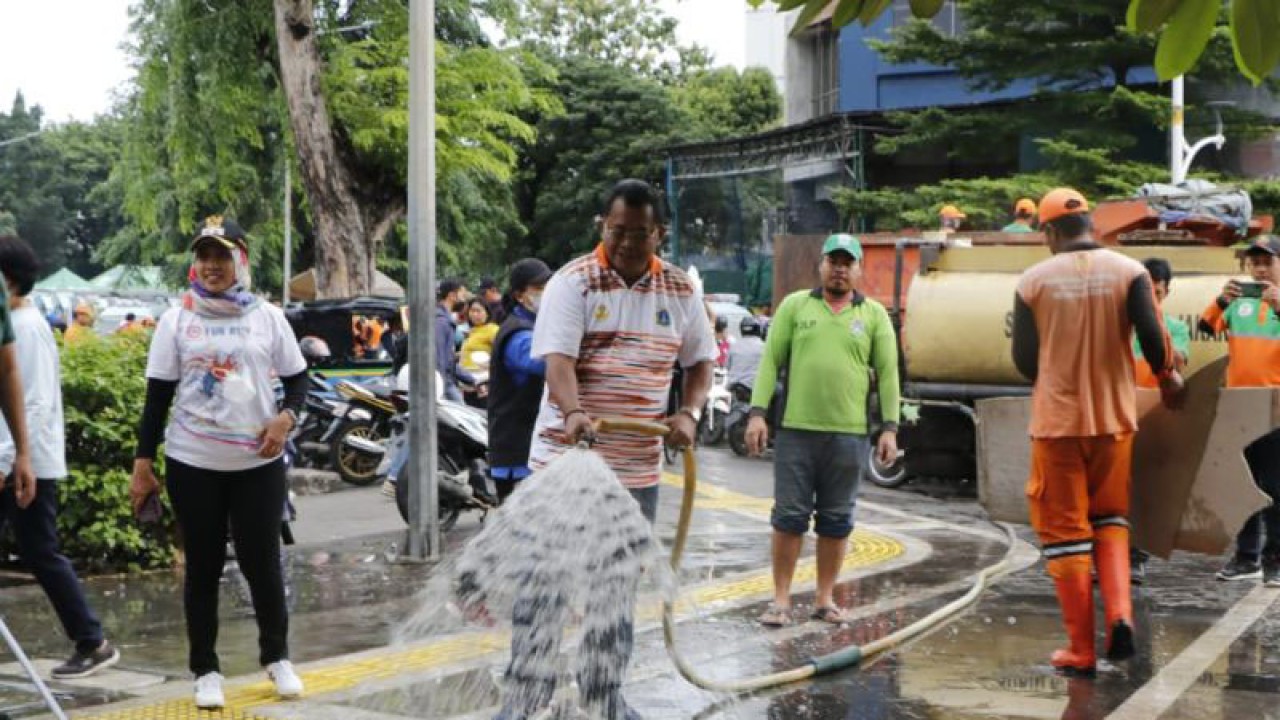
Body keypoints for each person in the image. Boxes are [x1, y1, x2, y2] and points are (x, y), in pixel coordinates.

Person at [499, 179, 716, 720]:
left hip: (636, 472)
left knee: (615, 594)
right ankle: (524, 701)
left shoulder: (681, 293)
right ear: (603, 226)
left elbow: (701, 363)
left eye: (638, 235)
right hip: (564, 466)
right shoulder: (574, 283)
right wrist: (573, 412)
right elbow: (558, 365)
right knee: (542, 588)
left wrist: (687, 413)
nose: (625, 243)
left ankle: (604, 699)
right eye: (616, 231)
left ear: (658, 234)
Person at [129, 217, 310, 709]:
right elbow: (157, 398)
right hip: (193, 461)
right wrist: (143, 463)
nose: (211, 266)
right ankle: (205, 670)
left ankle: (277, 657)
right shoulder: (177, 319)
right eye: (204, 256)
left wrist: (285, 419)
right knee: (202, 567)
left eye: (222, 257)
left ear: (240, 262)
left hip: (258, 464)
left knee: (262, 564)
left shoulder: (267, 317)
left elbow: (298, 379)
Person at [1011, 188, 1182, 677]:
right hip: (1114, 423)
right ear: (1090, 224)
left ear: (1047, 231)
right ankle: (1122, 616)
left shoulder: (1032, 282)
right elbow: (1152, 338)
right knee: (1110, 519)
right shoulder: (1130, 272)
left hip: (1058, 427)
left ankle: (1081, 649)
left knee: (1066, 535)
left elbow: (1025, 364)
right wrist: (1167, 374)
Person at [746, 233, 901, 627]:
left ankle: (824, 598)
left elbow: (888, 374)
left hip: (849, 436)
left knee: (836, 520)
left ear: (858, 269)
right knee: (788, 518)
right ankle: (780, 600)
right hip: (797, 432)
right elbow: (770, 363)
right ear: (821, 265)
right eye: (833, 260)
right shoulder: (796, 307)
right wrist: (757, 413)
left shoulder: (874, 316)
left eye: (848, 262)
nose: (840, 268)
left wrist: (889, 428)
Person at [0, 237, 117, 679]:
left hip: (24, 465)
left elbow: (29, 401)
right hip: (18, 459)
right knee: (39, 551)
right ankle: (90, 639)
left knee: (42, 551)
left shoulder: (26, 328)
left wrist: (7, 460)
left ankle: (92, 640)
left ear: (7, 280)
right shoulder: (18, 322)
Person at [1198, 235, 1280, 584]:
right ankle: (1247, 559)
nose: (1260, 268)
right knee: (1243, 485)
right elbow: (1205, 327)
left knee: (1276, 485)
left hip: (1276, 405)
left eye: (1267, 262)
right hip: (1240, 406)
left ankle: (1275, 559)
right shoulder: (1238, 303)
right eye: (1255, 262)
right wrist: (1220, 300)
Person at [1129, 257, 1192, 584]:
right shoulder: (1119, 328)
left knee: (1147, 492)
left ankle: (1136, 557)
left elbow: (1179, 363)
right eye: (1147, 293)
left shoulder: (1176, 328)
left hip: (1154, 420)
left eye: (1158, 292)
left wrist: (1160, 338)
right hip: (1120, 415)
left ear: (1167, 292)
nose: (1152, 299)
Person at [486, 258, 553, 503]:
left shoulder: (531, 326)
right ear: (519, 294)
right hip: (517, 452)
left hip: (524, 447)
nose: (545, 293)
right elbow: (548, 366)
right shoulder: (520, 334)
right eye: (538, 288)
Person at [436, 279, 475, 402]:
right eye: (462, 295)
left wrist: (470, 379)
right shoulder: (441, 321)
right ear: (452, 296)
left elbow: (448, 360)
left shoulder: (443, 319)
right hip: (443, 385)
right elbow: (439, 359)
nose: (464, 301)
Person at [726, 316, 765, 397]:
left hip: (734, 388)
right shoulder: (764, 347)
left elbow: (727, 366)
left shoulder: (734, 346)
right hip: (754, 389)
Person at [460, 299, 498, 372]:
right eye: (472, 311)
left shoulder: (492, 329)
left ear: (487, 313)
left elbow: (501, 354)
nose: (474, 314)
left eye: (478, 311)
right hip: (467, 376)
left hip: (482, 377)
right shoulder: (472, 330)